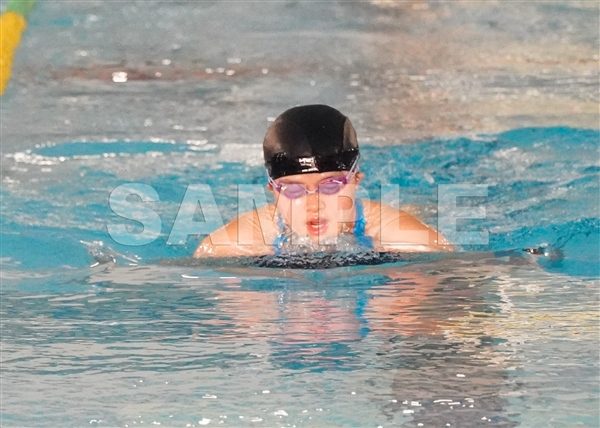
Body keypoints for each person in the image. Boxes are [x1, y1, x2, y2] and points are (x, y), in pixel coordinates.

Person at [194, 104, 451, 258]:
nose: (313, 204)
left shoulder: (412, 242)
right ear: (273, 190)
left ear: (356, 180)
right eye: (293, 189)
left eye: (331, 185)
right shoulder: (228, 246)